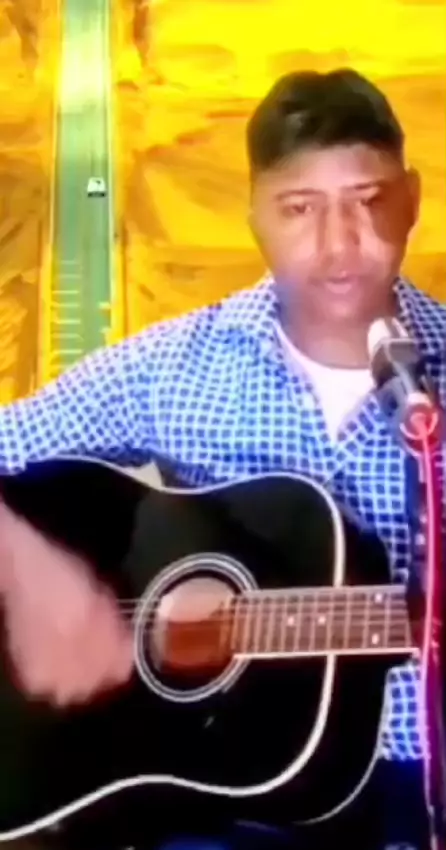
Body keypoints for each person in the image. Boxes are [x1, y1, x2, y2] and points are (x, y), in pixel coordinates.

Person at [0, 67, 441, 849]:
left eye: (368, 201)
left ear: (411, 200)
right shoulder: (174, 366)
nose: (337, 242)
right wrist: (33, 573)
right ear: (254, 218)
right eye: (299, 208)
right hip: (225, 804)